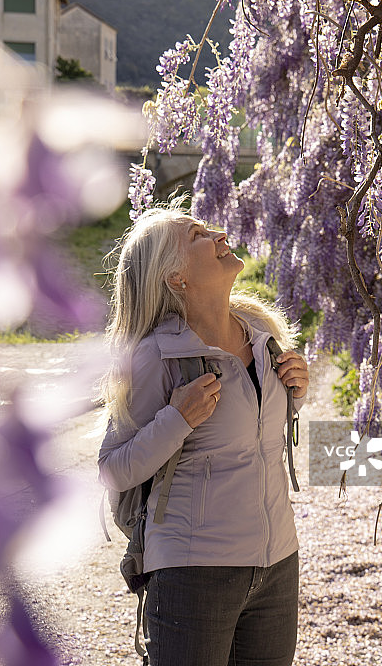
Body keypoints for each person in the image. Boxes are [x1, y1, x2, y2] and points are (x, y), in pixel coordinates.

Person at [98, 201, 309, 666]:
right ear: (177, 277)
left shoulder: (264, 338)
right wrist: (177, 420)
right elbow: (112, 469)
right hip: (194, 571)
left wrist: (295, 392)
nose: (217, 234)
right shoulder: (156, 357)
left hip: (277, 564)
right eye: (196, 235)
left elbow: (256, 439)